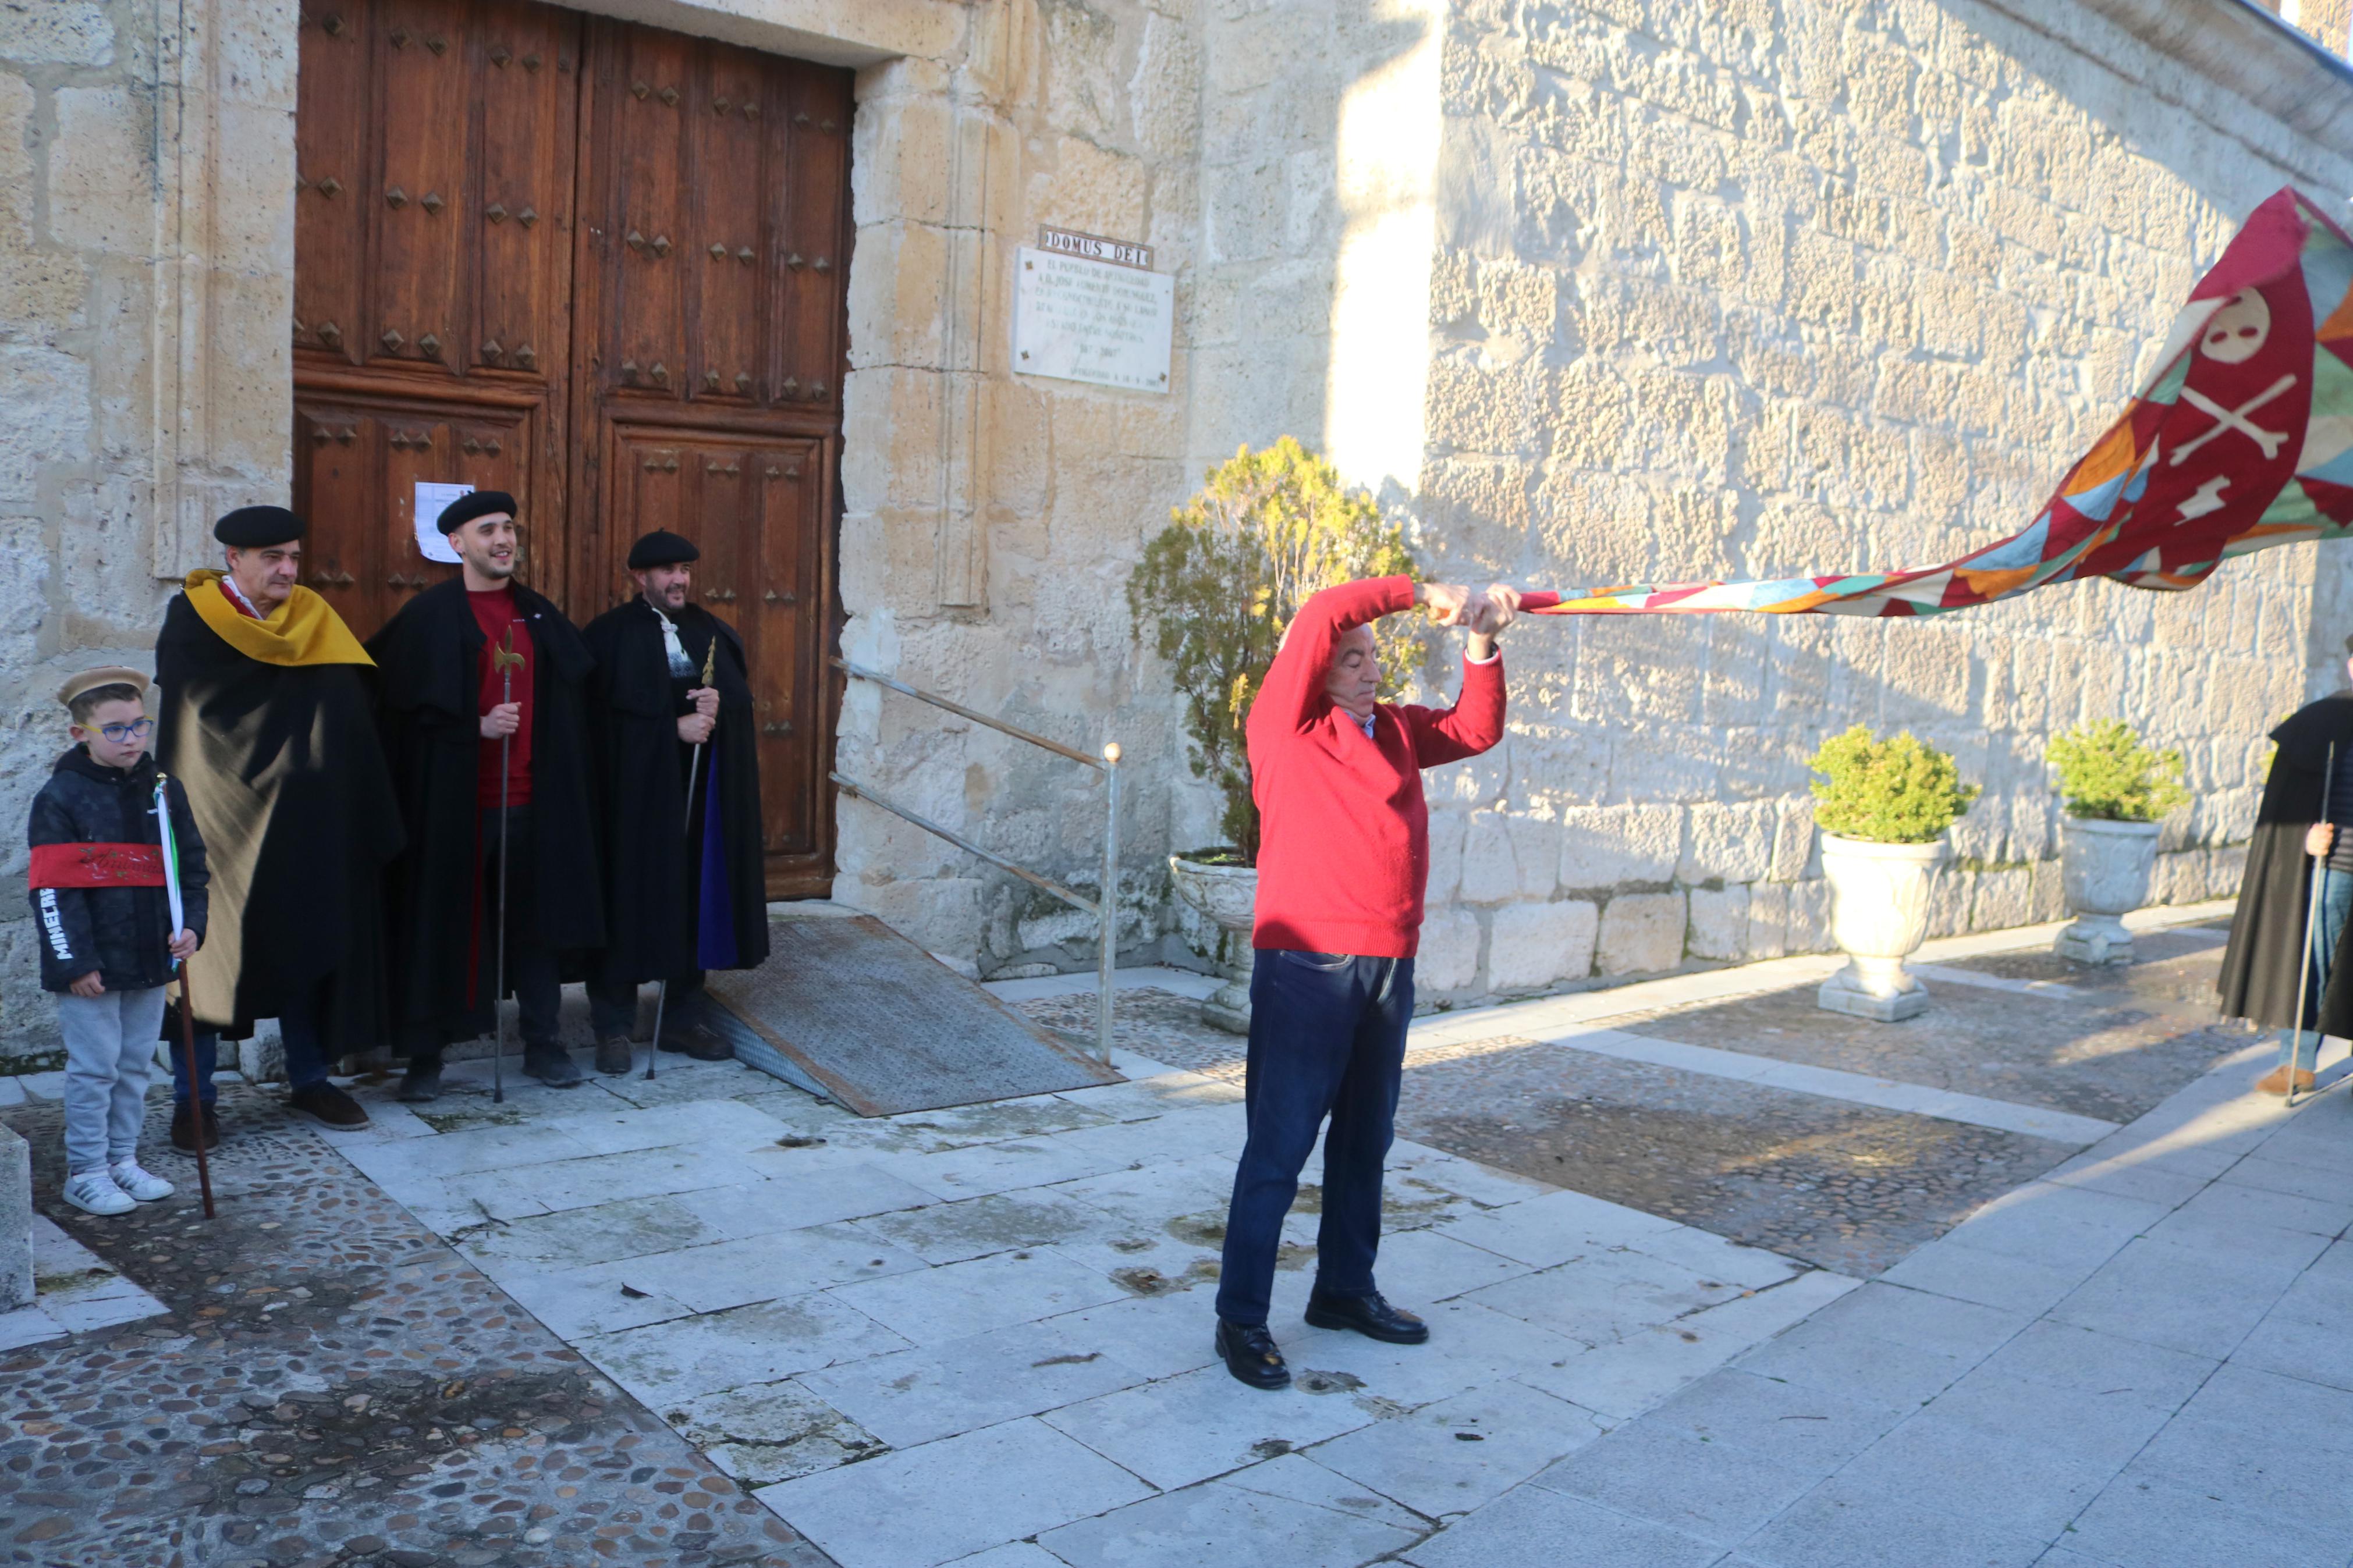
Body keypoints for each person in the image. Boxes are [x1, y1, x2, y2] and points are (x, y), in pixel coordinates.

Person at [1213, 576, 1517, 1390]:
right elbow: (1320, 612)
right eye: (1351, 658)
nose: (1367, 667)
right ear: (1314, 671)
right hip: (1306, 965)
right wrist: (1421, 590)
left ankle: (1343, 1289)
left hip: (1389, 962)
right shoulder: (1287, 726)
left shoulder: (1396, 731)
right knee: (1278, 1148)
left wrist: (1480, 640)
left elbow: (1474, 728)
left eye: (1372, 657)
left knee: (1364, 1139)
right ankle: (1240, 1317)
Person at [155, 506, 400, 1137]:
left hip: (303, 820)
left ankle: (311, 1079)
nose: (288, 569)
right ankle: (194, 1099)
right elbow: (195, 719)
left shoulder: (314, 617)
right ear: (233, 558)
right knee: (207, 953)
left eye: (293, 556)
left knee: (305, 934)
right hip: (220, 817)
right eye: (273, 557)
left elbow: (345, 708)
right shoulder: (194, 621)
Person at [368, 490, 604, 1099]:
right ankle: (427, 1057)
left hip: (533, 804)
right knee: (441, 929)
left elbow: (581, 696)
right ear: (456, 543)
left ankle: (543, 1043)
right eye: (487, 529)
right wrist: (471, 729)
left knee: (535, 931)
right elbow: (392, 714)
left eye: (508, 529)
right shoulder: (427, 618)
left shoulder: (539, 616)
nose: (503, 539)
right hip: (455, 809)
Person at [580, 529, 771, 1072]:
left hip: (697, 803)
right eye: (666, 570)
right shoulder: (608, 637)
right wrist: (670, 729)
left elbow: (738, 704)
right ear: (639, 577)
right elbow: (595, 728)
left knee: (694, 900)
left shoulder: (710, 630)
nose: (679, 578)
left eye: (684, 568)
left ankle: (683, 1019)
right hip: (631, 807)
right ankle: (613, 1027)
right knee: (627, 903)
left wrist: (721, 703)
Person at [29, 670, 207, 1214]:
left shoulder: (163, 789)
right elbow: (53, 890)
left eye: (139, 725)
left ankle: (122, 1158)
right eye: (115, 730)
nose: (131, 739)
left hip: (152, 956)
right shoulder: (61, 797)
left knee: (134, 1064)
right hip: (93, 965)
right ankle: (86, 1169)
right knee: (95, 1067)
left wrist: (192, 927)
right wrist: (74, 962)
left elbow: (190, 867)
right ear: (79, 733)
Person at [2219, 636, 2353, 1093]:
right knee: (2313, 961)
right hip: (2336, 866)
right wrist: (2305, 837)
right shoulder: (2322, 721)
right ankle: (2295, 1062)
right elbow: (2288, 804)